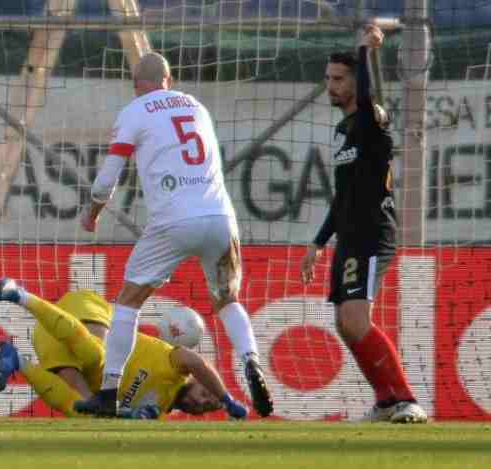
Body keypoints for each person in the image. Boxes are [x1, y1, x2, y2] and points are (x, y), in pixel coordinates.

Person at [75, 52, 272, 418]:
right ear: (170, 80)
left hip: (172, 220)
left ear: (137, 85)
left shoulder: (134, 111)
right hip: (219, 217)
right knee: (228, 299)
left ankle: (108, 391)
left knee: (128, 302)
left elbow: (106, 181)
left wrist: (92, 214)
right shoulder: (196, 107)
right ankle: (251, 361)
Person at [299, 25, 427, 424]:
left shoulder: (371, 120)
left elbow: (371, 95)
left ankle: (406, 399)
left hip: (373, 234)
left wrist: (366, 51)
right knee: (344, 323)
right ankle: (386, 401)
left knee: (356, 319)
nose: (330, 86)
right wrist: (319, 242)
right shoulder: (343, 132)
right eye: (327, 79)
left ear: (357, 81)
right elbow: (342, 196)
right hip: (349, 237)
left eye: (338, 79)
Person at [0, 279, 247, 419]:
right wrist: (227, 400)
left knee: (84, 410)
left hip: (50, 334)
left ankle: (17, 362)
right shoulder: (176, 364)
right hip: (84, 312)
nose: (201, 401)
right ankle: (20, 295)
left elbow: (126, 418)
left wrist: (133, 415)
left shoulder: (157, 414)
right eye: (206, 393)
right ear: (202, 381)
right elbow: (196, 363)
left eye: (205, 406)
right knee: (99, 356)